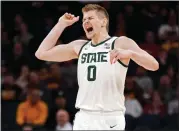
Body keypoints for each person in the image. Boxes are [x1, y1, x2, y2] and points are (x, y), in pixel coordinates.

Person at [35, 4, 159, 130]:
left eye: (90, 18)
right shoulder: (80, 46)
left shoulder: (119, 43)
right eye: (84, 20)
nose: (86, 22)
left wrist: (131, 54)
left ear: (103, 21)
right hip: (83, 117)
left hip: (109, 116)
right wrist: (60, 24)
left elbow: (154, 65)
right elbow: (41, 53)